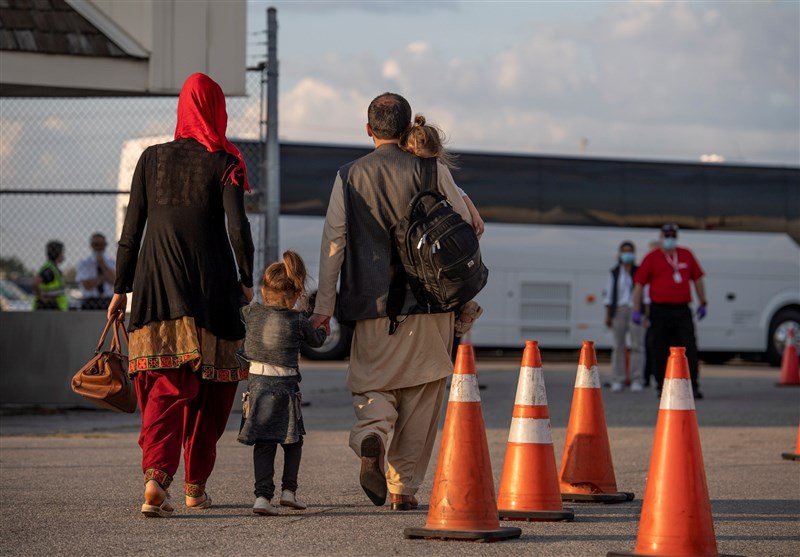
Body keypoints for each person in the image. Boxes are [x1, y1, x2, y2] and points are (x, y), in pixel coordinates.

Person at [310, 93, 474, 511]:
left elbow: (334, 244)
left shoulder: (348, 176)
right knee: (422, 394)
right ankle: (404, 489)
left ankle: (373, 435)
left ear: (369, 130)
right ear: (406, 130)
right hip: (430, 303)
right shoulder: (430, 168)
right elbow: (468, 225)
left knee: (374, 384)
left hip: (372, 305)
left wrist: (323, 308)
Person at [107, 73, 255, 517]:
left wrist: (120, 288)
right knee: (211, 390)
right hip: (211, 284)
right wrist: (245, 278)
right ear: (216, 109)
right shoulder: (226, 159)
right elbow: (237, 229)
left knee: (165, 385)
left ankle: (156, 478)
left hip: (156, 282)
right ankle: (194, 487)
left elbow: (130, 231)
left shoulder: (150, 159)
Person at [237, 251, 327, 516]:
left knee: (264, 444)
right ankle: (289, 492)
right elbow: (317, 342)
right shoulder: (298, 320)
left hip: (257, 388)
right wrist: (322, 328)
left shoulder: (251, 313)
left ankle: (262, 498)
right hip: (287, 389)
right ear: (296, 292)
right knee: (293, 440)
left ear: (265, 290)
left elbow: (237, 311)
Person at [398, 113, 484, 357]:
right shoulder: (438, 168)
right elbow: (462, 209)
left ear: (406, 148)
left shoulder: (410, 168)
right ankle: (465, 305)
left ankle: (463, 308)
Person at [632, 223, 706, 398]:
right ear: (661, 237)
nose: (670, 239)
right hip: (660, 310)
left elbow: (698, 279)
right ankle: (662, 386)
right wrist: (637, 310)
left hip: (681, 310)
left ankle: (692, 386)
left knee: (689, 348)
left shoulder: (686, 255)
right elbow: (639, 286)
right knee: (659, 348)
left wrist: (703, 302)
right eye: (667, 236)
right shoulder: (652, 257)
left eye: (673, 236)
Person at [603, 240, 645, 392]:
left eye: (630, 251)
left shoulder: (639, 271)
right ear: (620, 254)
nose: (627, 255)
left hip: (635, 310)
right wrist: (608, 315)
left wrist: (645, 314)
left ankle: (637, 379)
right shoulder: (614, 272)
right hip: (619, 310)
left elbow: (645, 294)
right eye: (624, 251)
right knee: (618, 346)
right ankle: (618, 379)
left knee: (637, 346)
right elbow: (608, 296)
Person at [75, 233, 116, 310]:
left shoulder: (112, 262)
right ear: (91, 245)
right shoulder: (84, 263)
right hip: (90, 301)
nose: (99, 247)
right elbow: (87, 285)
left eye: (102, 244)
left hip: (108, 300)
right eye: (96, 244)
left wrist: (102, 265)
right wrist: (104, 276)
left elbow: (115, 281)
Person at [32, 240, 68, 311]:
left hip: (53, 308)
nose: (63, 255)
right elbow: (35, 284)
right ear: (58, 254)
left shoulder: (53, 268)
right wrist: (43, 298)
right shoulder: (49, 270)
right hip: (48, 308)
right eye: (62, 253)